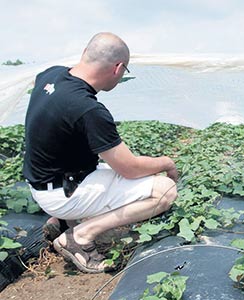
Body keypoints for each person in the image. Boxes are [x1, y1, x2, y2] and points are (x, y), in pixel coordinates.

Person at [23, 32, 178, 273]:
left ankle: (60, 222)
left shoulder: (51, 74)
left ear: (85, 54)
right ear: (118, 68)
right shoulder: (87, 109)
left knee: (108, 171)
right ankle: (79, 237)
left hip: (43, 182)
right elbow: (130, 168)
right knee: (164, 191)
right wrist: (166, 162)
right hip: (62, 193)